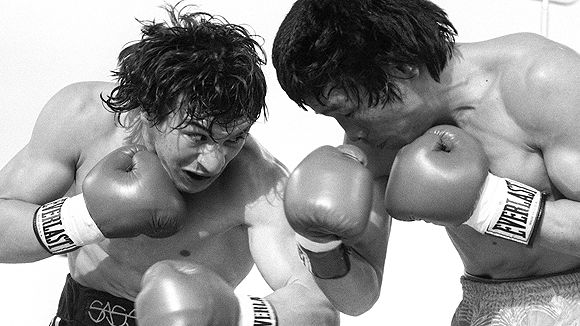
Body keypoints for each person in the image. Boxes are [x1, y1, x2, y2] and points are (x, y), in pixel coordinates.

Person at [0, 3, 339, 325]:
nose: (213, 161)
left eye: (233, 138)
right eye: (198, 136)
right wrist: (82, 218)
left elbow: (316, 307)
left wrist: (237, 317)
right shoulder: (83, 119)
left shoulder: (258, 185)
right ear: (150, 109)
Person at [272, 0, 580, 324]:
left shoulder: (538, 80)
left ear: (403, 66)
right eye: (331, 115)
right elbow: (359, 298)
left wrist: (491, 205)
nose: (351, 132)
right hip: (482, 311)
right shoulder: (374, 142)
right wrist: (320, 247)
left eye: (348, 110)